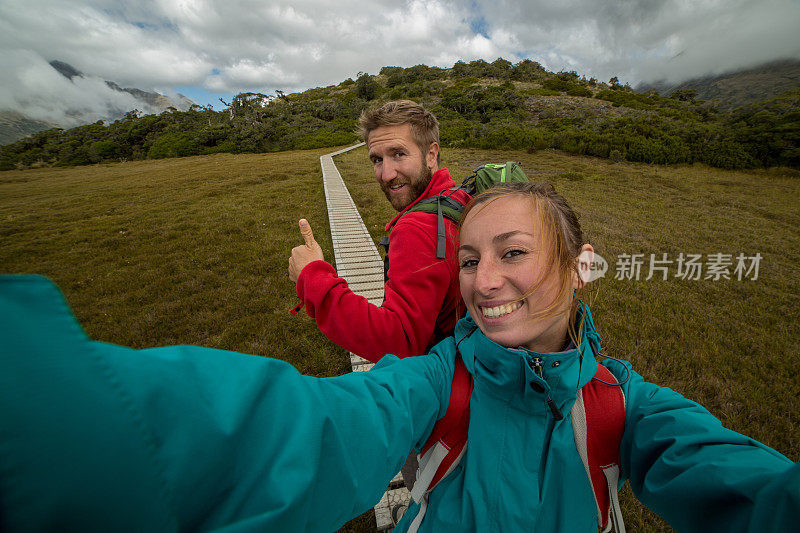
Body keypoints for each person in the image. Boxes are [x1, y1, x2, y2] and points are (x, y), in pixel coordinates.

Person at [1, 183, 797, 532]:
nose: (484, 283)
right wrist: (62, 418)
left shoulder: (629, 405)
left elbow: (752, 488)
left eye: (513, 252)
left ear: (583, 263)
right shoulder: (431, 382)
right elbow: (302, 431)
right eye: (471, 258)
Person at [288, 100, 471, 362]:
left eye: (398, 154)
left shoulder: (416, 229)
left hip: (438, 382)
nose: (386, 174)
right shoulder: (456, 196)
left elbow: (397, 342)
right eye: (377, 159)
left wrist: (311, 276)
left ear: (431, 155)